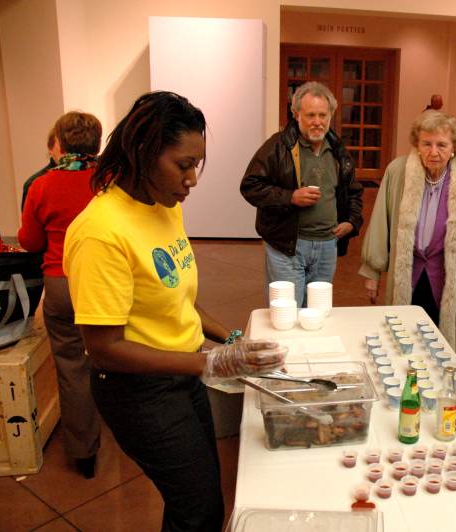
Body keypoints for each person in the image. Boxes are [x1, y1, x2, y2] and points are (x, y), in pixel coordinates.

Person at [63, 91, 287, 531]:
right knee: (196, 508)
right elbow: (103, 348)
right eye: (183, 165)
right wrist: (210, 361)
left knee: (204, 497)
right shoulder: (100, 232)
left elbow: (176, 298)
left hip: (182, 374)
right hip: (137, 392)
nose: (193, 179)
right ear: (144, 153)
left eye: (196, 165)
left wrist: (233, 341)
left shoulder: (164, 206)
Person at [359, 110, 456, 367]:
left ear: (454, 148)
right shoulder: (397, 173)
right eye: (427, 144)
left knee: (441, 355)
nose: (434, 152)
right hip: (407, 276)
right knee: (402, 346)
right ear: (417, 145)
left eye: (441, 145)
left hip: (446, 283)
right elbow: (381, 223)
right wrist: (373, 271)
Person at [18, 111, 102, 478]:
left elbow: (30, 241)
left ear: (59, 143)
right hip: (104, 279)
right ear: (97, 143)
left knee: (71, 366)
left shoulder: (41, 185)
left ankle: (84, 452)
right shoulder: (110, 179)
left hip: (61, 282)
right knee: (117, 352)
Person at [240, 81, 363, 307]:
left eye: (323, 115)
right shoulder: (279, 146)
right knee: (286, 312)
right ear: (296, 114)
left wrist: (352, 222)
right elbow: (250, 186)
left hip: (328, 246)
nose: (317, 122)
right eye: (310, 115)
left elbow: (354, 191)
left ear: (331, 115)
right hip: (288, 246)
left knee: (317, 313)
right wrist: (290, 197)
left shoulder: (338, 151)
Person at [21, 128, 62, 211]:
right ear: (50, 148)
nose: (66, 150)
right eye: (61, 144)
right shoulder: (34, 183)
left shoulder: (89, 176)